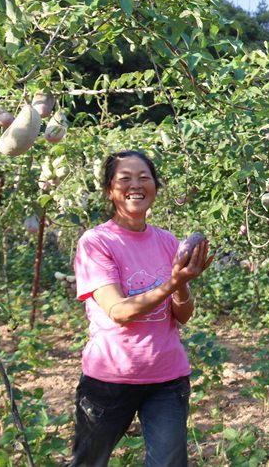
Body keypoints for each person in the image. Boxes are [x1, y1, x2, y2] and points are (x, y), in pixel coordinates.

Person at [68, 150, 212, 467]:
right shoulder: (96, 242)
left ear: (155, 188)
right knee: (88, 462)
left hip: (166, 378)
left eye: (144, 178)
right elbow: (119, 311)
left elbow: (183, 315)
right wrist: (173, 283)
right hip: (109, 379)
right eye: (125, 179)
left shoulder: (167, 241)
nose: (136, 185)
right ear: (109, 190)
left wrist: (183, 283)